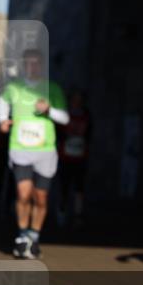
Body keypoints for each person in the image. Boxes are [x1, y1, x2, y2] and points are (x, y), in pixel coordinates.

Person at [0, 49, 69, 259]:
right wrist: (2, 120)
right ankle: (21, 237)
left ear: (42, 66)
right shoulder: (14, 87)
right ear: (23, 65)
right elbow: (2, 101)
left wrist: (49, 110)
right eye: (28, 63)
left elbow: (65, 118)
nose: (32, 67)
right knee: (23, 193)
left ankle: (34, 236)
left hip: (45, 151)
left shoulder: (52, 89)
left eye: (36, 63)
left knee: (41, 197)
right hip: (20, 148)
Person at [57, 89, 91, 229]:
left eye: (79, 99)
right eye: (74, 98)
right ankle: (62, 210)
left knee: (79, 187)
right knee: (64, 185)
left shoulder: (86, 115)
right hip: (66, 156)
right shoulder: (65, 114)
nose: (77, 102)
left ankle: (78, 214)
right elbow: (58, 132)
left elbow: (89, 134)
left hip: (80, 156)